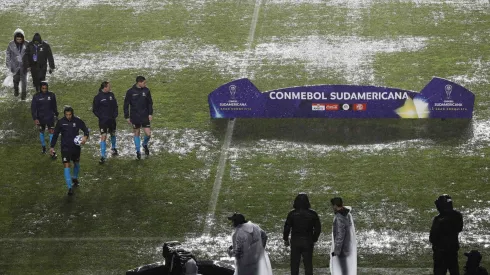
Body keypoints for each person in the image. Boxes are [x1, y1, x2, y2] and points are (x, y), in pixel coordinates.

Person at [50, 106, 89, 196]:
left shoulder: (77, 121)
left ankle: (74, 177)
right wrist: (52, 147)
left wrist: (85, 138)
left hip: (75, 147)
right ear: (64, 114)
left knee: (76, 163)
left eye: (70, 114)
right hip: (65, 148)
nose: (68, 116)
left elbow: (86, 130)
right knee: (66, 165)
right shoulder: (61, 122)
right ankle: (69, 188)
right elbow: (55, 135)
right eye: (67, 115)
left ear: (72, 114)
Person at [283, 193, 322, 275]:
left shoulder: (292, 214)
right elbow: (318, 228)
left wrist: (285, 239)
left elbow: (287, 228)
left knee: (294, 264)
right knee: (308, 264)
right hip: (308, 241)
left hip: (295, 241)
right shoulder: (312, 214)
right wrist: (314, 238)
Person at [430, 194, 464, 275]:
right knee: (454, 271)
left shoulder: (438, 219)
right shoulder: (457, 216)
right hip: (452, 251)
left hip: (440, 253)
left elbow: (432, 238)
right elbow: (459, 228)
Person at [124, 76, 153, 160]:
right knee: (136, 132)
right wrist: (127, 116)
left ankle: (144, 144)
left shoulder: (146, 90)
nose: (145, 84)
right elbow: (126, 105)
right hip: (135, 116)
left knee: (148, 134)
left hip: (144, 115)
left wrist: (150, 113)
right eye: (144, 83)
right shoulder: (130, 92)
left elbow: (150, 103)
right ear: (139, 82)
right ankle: (138, 151)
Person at [93, 81, 118, 164]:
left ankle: (113, 148)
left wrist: (115, 114)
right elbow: (95, 110)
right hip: (103, 121)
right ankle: (103, 156)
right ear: (105, 87)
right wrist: (101, 116)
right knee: (103, 136)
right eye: (109, 86)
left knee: (113, 133)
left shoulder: (111, 95)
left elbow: (115, 105)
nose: (110, 88)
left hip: (112, 119)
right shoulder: (98, 97)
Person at [330, 197, 357, 275]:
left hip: (342, 248)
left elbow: (340, 235)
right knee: (345, 267)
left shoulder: (339, 218)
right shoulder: (347, 214)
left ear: (335, 205)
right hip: (347, 244)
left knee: (343, 269)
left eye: (332, 205)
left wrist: (336, 250)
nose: (332, 207)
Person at [31, 81, 58, 155]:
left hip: (50, 117)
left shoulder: (51, 95)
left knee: (51, 132)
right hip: (40, 118)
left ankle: (52, 150)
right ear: (40, 88)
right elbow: (33, 109)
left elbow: (54, 106)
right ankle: (43, 147)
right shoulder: (36, 96)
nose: (44, 90)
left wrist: (56, 114)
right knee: (41, 132)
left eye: (46, 88)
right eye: (43, 88)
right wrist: (35, 118)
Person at [5, 28, 28, 100]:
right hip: (15, 66)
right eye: (17, 39)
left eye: (20, 39)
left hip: (24, 66)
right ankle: (16, 90)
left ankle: (23, 95)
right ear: (15, 38)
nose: (19, 41)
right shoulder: (11, 44)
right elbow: (8, 54)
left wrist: (30, 65)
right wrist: (8, 64)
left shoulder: (27, 43)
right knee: (16, 79)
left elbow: (30, 54)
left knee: (24, 81)